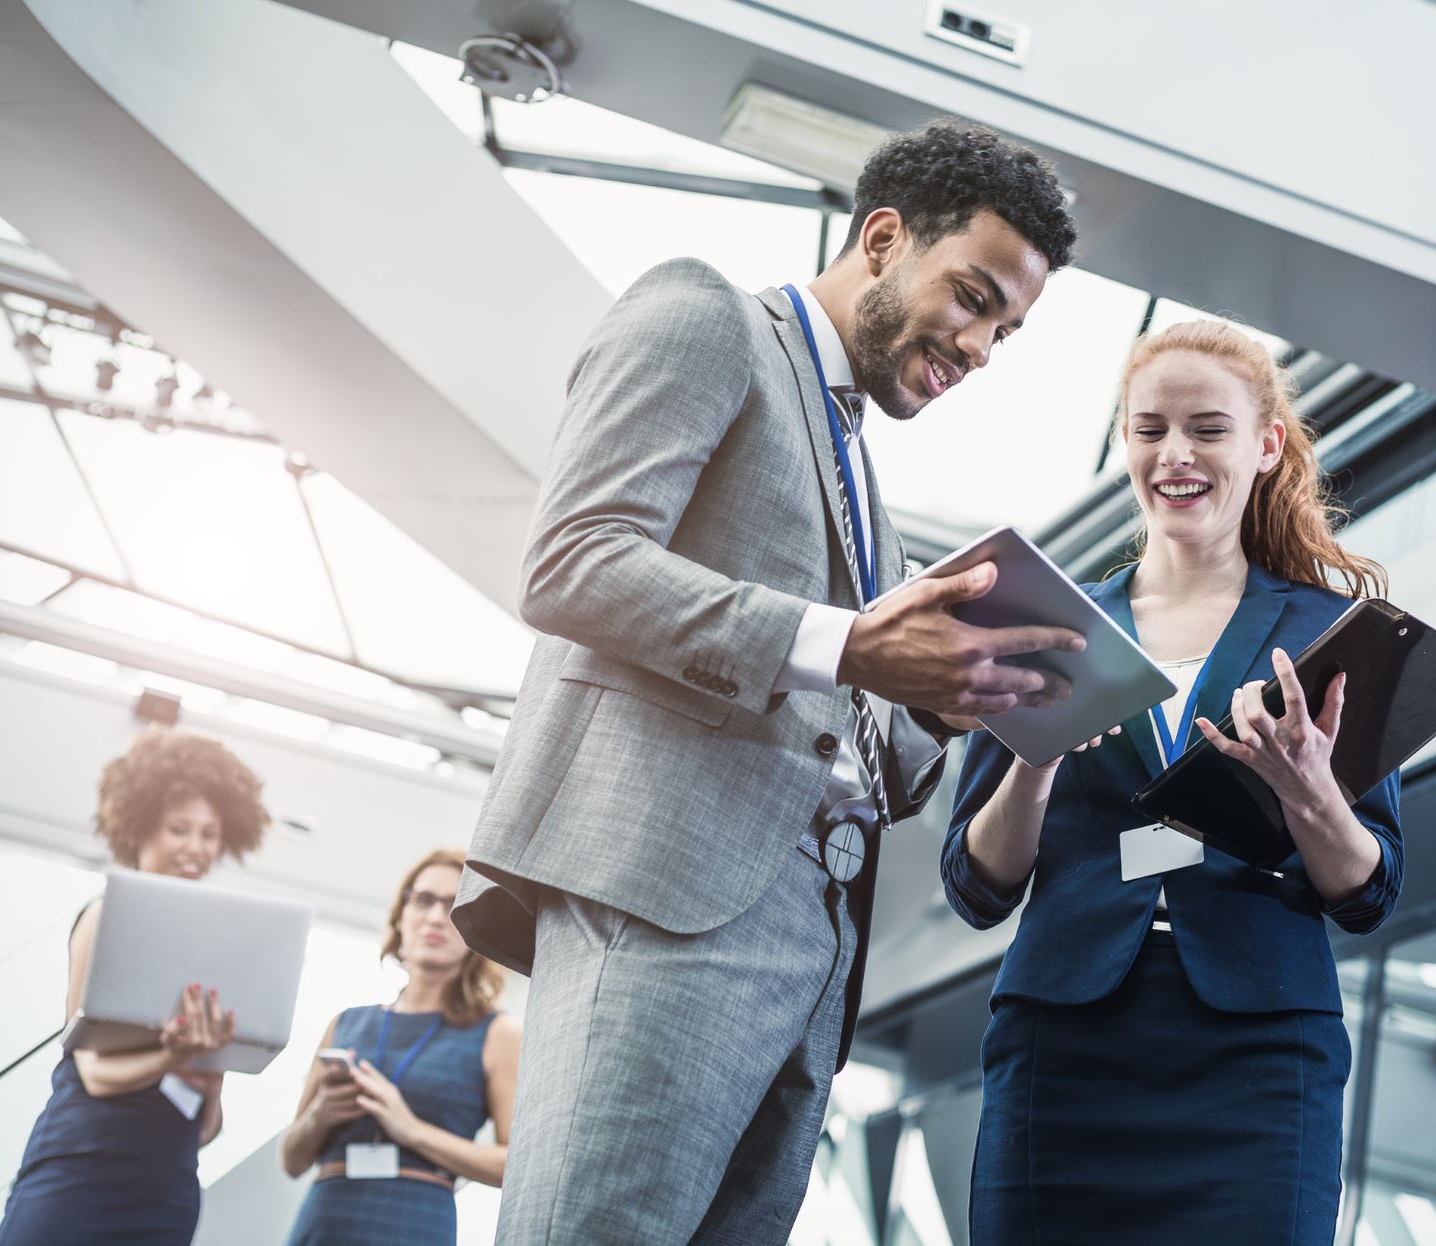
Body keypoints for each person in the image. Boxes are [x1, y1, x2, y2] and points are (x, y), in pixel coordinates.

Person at [453, 119, 1080, 1243]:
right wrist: (843, 643)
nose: (982, 348)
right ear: (883, 238)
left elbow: (868, 749)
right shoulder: (707, 319)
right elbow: (572, 560)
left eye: (1008, 332)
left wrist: (948, 697)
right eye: (974, 298)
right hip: (666, 892)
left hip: (814, 950)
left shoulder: (869, 490)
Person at [944, 319, 1404, 1245]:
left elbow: (1370, 890)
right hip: (1064, 1049)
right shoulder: (1051, 626)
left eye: (1207, 428)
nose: (1175, 454)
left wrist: (1310, 791)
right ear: (1124, 443)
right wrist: (1036, 759)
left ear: (1266, 445)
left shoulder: (1332, 633)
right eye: (1150, 429)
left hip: (1260, 1057)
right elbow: (976, 886)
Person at [0, 728, 270, 1246]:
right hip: (80, 1171)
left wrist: (210, 1085)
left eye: (210, 834)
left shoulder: (214, 951)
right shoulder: (104, 917)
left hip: (165, 1187)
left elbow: (205, 1129)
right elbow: (94, 1075)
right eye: (179, 829)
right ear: (139, 827)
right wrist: (170, 1057)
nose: (196, 848)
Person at [279, 847, 518, 1246]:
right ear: (400, 914)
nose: (436, 917)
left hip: (415, 1224)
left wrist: (411, 1130)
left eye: (454, 905)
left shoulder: (498, 1033)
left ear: (475, 927)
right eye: (423, 900)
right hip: (325, 1218)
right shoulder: (346, 1022)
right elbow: (291, 1160)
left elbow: (514, 1166)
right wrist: (322, 1114)